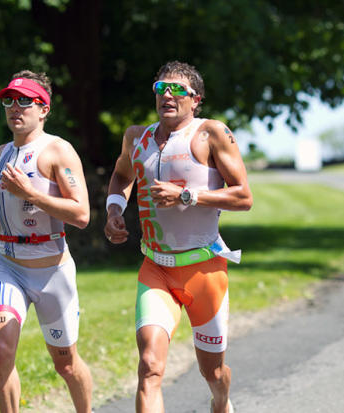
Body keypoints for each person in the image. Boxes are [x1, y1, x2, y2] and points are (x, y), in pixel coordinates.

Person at [104, 61, 253, 413]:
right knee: (149, 367)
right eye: (161, 88)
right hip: (156, 269)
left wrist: (187, 195)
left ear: (195, 100)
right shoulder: (136, 137)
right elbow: (122, 176)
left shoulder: (210, 133)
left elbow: (243, 197)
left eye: (177, 90)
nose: (167, 95)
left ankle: (221, 402)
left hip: (204, 269)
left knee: (213, 372)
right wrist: (114, 210)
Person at [0, 70, 93, 413]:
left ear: (44, 109)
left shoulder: (58, 151)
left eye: (25, 101)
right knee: (1, 350)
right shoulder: (0, 154)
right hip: (9, 268)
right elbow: (14, 208)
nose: (15, 107)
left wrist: (30, 193)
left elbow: (82, 214)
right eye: (9, 100)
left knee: (66, 365)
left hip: (51, 273)